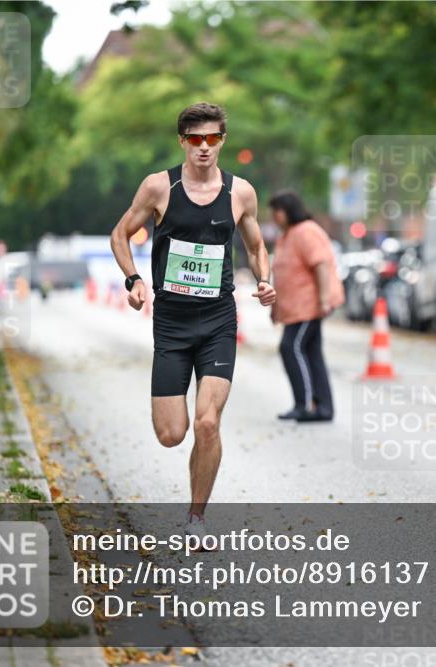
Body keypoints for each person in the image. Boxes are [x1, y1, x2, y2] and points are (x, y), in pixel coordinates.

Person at [110, 102, 276, 538]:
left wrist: (264, 280)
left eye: (214, 139)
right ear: (183, 141)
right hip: (171, 323)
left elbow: (257, 245)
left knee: (207, 423)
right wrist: (133, 279)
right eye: (196, 140)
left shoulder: (240, 192)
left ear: (223, 141)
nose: (205, 148)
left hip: (219, 320)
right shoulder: (159, 187)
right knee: (172, 433)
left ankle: (196, 517)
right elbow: (121, 233)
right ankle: (194, 488)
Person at [269, 191, 345, 423]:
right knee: (311, 352)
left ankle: (307, 404)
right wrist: (275, 307)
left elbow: (320, 264)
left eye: (277, 211)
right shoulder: (287, 235)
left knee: (290, 347)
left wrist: (323, 299)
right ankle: (322, 407)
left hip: (309, 304)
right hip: (295, 308)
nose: (274, 217)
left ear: (288, 210)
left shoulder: (306, 231)